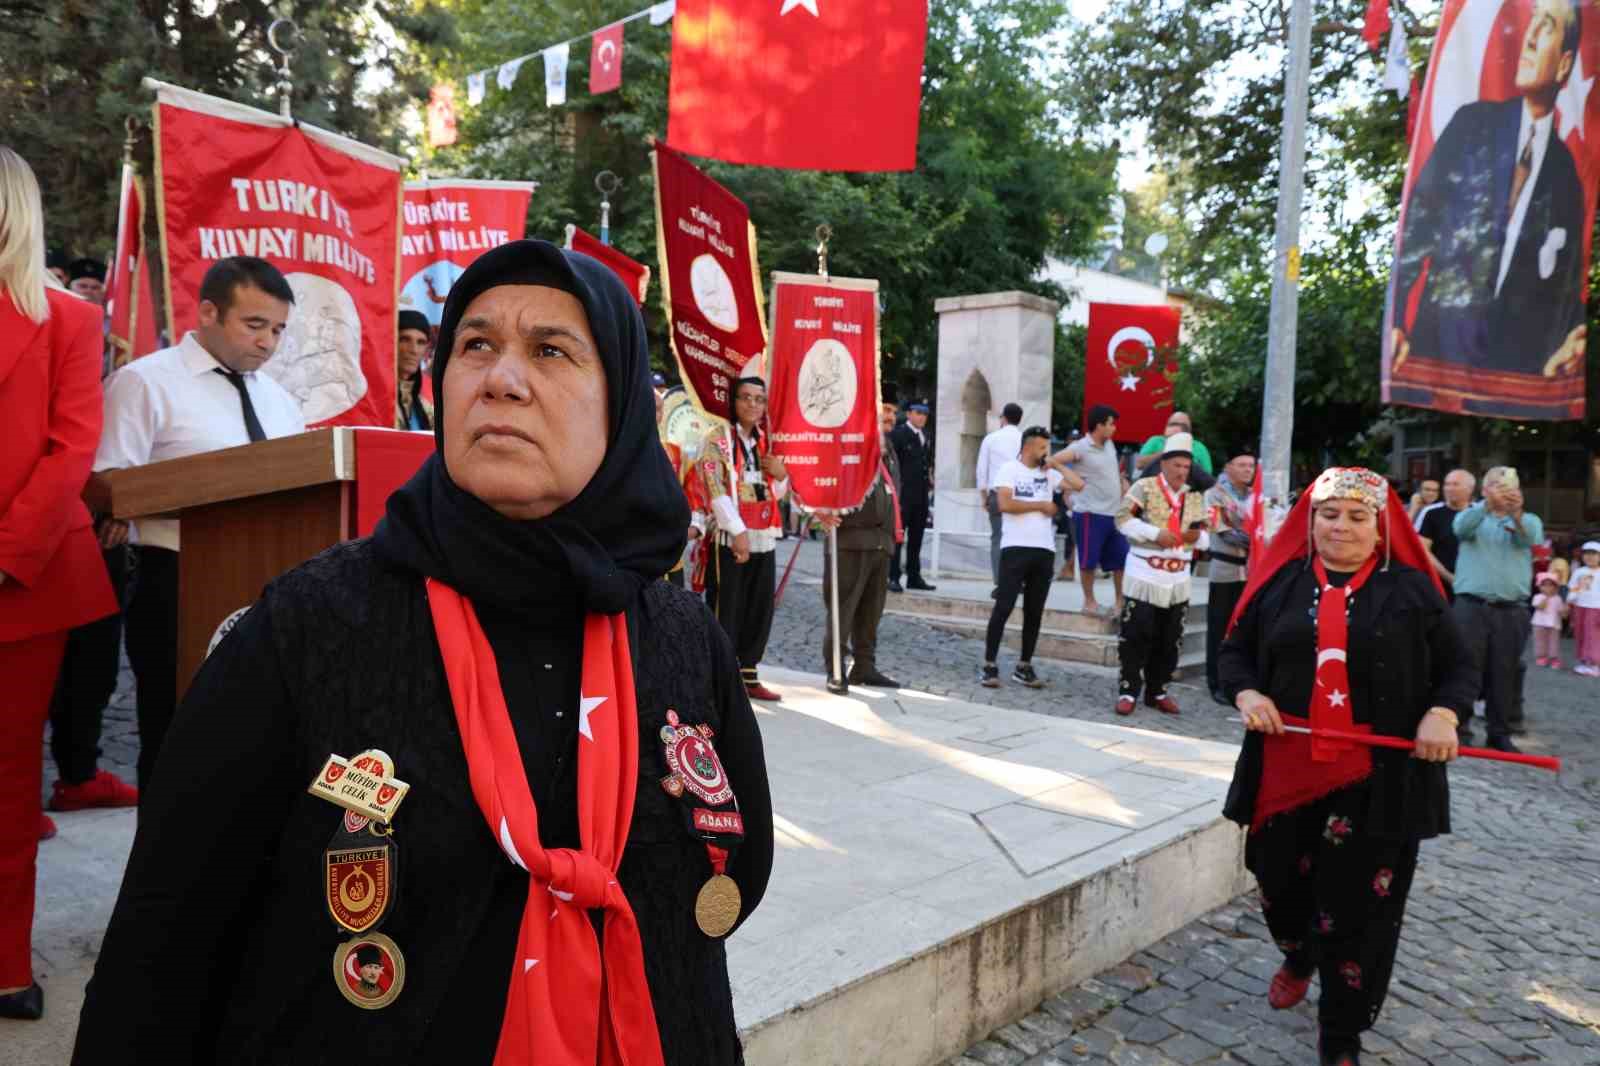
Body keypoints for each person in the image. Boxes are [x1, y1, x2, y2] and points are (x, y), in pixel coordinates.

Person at [73, 239, 774, 1064]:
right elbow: (166, 936)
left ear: (620, 405)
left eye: (550, 351)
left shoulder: (683, 634)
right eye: (475, 346)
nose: (500, 378)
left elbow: (736, 863)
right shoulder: (311, 625)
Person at [1220, 466, 1473, 1066]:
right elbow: (1233, 654)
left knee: (1362, 909)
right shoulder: (1279, 583)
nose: (1342, 526)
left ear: (1381, 527)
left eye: (1358, 516)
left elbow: (1460, 669)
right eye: (1329, 515)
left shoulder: (1412, 592)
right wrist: (1249, 695)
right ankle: (1298, 950)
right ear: (1310, 522)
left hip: (1378, 781)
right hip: (1286, 770)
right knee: (1277, 880)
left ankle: (1340, 1034)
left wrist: (1444, 713)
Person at [91, 255, 306, 791]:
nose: (268, 343)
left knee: (259, 743)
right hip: (175, 581)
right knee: (176, 738)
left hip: (273, 584)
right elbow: (105, 483)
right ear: (208, 312)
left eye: (278, 329)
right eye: (254, 325)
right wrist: (196, 496)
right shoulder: (145, 382)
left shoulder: (280, 401)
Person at [0, 145, 118, 1021]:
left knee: (6, 783)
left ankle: (5, 960)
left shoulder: (71, 324)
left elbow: (68, 451)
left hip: (21, 582)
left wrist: (4, 555)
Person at [1392, 0, 1587, 379]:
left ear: (1564, 65)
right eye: (1530, 24)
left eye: (1545, 27)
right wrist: (1397, 319)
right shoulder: (1471, 126)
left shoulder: (1566, 175)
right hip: (1439, 351)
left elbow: (1562, 290)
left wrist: (1565, 344)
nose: (1528, 38)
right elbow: (1419, 225)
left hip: (1516, 370)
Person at [699, 376, 788, 702]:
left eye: (759, 399)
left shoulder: (767, 442)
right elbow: (713, 485)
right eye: (746, 397)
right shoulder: (717, 439)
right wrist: (737, 532)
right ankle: (719, 677)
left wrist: (781, 475)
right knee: (727, 605)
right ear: (733, 402)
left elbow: (776, 493)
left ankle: (748, 673)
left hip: (763, 532)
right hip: (730, 535)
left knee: (759, 604)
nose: (753, 404)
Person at [1113, 433, 1209, 716]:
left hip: (1178, 575)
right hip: (1145, 571)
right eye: (1177, 465)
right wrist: (1155, 533)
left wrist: (1196, 537)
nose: (1182, 471)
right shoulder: (1144, 487)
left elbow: (1205, 537)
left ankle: (1158, 689)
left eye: (1186, 467)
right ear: (1165, 463)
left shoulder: (1193, 496)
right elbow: (1121, 519)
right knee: (1135, 634)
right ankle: (1129, 690)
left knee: (1170, 638)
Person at [980, 426, 1083, 689]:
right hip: (1015, 547)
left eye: (1047, 448)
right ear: (1027, 447)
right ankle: (990, 664)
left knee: (1034, 611)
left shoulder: (1048, 474)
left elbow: (1078, 485)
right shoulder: (1009, 470)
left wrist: (1057, 464)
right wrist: (1040, 505)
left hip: (1044, 550)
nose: (1045, 453)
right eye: (1041, 448)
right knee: (1003, 606)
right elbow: (1004, 504)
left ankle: (1024, 665)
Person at [1451, 466, 1542, 751]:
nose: (1501, 491)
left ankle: (1499, 732)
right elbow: (1460, 529)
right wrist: (1485, 506)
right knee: (1464, 667)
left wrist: (1515, 515)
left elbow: (1528, 540)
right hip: (1471, 605)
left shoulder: (1529, 520)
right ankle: (1458, 727)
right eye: (1495, 485)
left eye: (1507, 486)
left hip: (1510, 609)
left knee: (1505, 671)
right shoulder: (1471, 517)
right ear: (1484, 489)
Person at [816, 404, 905, 694]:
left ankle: (864, 667)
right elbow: (822, 480)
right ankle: (836, 670)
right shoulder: (847, 442)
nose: (891, 417)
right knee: (843, 608)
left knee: (871, 611)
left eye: (893, 412)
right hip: (850, 541)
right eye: (884, 411)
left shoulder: (888, 448)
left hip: (881, 542)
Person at [1051, 404, 1128, 617]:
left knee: (1121, 560)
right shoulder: (1080, 447)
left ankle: (1119, 602)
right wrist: (1064, 484)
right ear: (1099, 425)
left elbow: (1112, 472)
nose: (1114, 428)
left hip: (1113, 514)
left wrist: (1122, 483)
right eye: (1111, 424)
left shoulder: (1110, 445)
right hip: (1089, 513)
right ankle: (1089, 602)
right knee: (1088, 561)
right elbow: (1055, 461)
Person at [1203, 447, 1256, 706]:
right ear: (1228, 467)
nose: (1248, 470)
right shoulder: (1213, 495)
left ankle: (1239, 680)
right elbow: (1222, 530)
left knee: (1244, 628)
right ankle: (1216, 682)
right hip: (1224, 569)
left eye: (1251, 465)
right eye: (1242, 465)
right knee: (1219, 628)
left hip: (1251, 571)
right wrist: (1255, 539)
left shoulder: (1257, 496)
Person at [975, 402, 1024, 590]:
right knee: (1018, 539)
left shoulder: (991, 438)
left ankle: (1001, 582)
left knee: (997, 537)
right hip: (1020, 495)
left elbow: (981, 470)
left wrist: (984, 496)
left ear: (1003, 418)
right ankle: (1016, 581)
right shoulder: (1024, 439)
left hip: (997, 493)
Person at [889, 399, 936, 591]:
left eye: (925, 414)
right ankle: (893, 576)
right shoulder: (898, 435)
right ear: (909, 414)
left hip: (921, 493)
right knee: (898, 536)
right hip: (903, 493)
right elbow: (893, 464)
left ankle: (914, 576)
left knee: (917, 537)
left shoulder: (925, 435)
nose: (922, 417)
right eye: (918, 413)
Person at [1415, 469, 1475, 600]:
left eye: (1455, 484)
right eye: (1447, 484)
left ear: (1470, 489)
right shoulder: (1432, 513)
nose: (1449, 488)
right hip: (1440, 584)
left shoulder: (1478, 513)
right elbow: (1423, 550)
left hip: (1475, 586)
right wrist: (1449, 577)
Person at [394, 309, 433, 430]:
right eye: (405, 339)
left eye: (421, 342)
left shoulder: (427, 407)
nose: (414, 350)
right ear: (391, 342)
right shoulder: (373, 402)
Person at [1569, 541, 1600, 675]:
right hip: (1580, 607)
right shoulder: (1579, 571)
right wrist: (1570, 600)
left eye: (1594, 554)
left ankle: (1594, 664)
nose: (1590, 557)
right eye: (1587, 553)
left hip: (1596, 608)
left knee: (1593, 635)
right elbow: (1574, 587)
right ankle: (1584, 661)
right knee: (1580, 633)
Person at [1531, 574, 1568, 668]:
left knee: (1554, 642)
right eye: (1544, 585)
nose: (1548, 587)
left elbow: (1562, 614)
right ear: (1539, 587)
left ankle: (1553, 658)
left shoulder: (1558, 598)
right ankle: (1542, 657)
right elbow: (1540, 607)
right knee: (1540, 641)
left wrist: (1565, 610)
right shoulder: (1538, 597)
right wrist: (1546, 597)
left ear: (1556, 587)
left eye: (1551, 585)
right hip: (1539, 624)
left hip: (1554, 624)